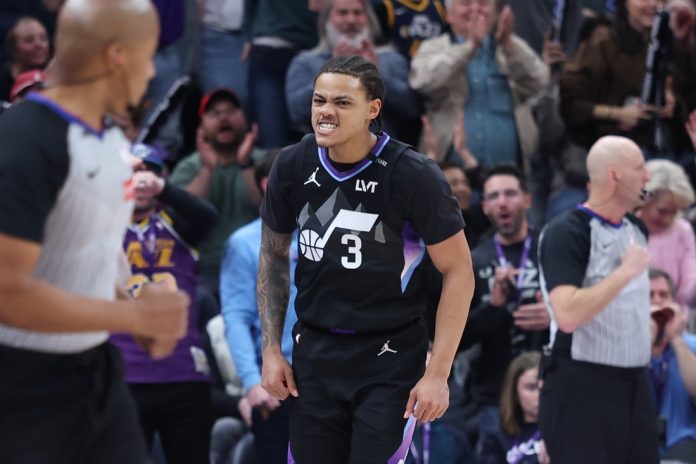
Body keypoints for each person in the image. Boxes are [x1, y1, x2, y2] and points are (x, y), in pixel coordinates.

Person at [258, 55, 474, 463]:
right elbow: (272, 254)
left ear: (372, 109)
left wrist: (438, 373)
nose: (326, 111)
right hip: (315, 353)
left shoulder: (413, 174)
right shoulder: (292, 163)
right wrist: (271, 350)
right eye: (320, 100)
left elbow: (459, 270)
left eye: (342, 102)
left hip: (390, 359)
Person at [0, 1, 189, 463]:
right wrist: (134, 318)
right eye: (148, 56)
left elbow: (94, 251)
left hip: (94, 375)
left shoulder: (113, 142)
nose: (151, 73)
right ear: (117, 56)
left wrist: (138, 306)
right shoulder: (24, 139)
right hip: (17, 388)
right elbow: (7, 292)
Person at [537, 135, 659, 463]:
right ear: (614, 175)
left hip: (635, 385)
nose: (647, 176)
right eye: (639, 168)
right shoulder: (567, 232)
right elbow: (567, 314)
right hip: (581, 387)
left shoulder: (637, 229)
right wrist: (624, 273)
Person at [110, 147, 218, 464]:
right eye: (133, 174)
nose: (141, 181)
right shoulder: (101, 227)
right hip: (124, 376)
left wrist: (163, 189)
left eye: (150, 173)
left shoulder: (178, 223)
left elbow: (208, 218)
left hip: (184, 374)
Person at [462, 165, 549, 454]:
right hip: (494, 397)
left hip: (549, 388)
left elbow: (585, 313)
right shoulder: (473, 260)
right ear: (484, 207)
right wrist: (493, 306)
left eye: (510, 194)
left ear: (527, 199)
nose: (502, 202)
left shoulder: (551, 250)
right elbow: (457, 339)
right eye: (493, 196)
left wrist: (554, 317)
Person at [221, 152, 299, 464]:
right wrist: (252, 381)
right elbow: (236, 318)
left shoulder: (326, 235)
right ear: (269, 184)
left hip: (326, 375)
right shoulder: (243, 243)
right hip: (275, 383)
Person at [409, 0, 548, 168]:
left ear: (495, 13)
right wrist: (469, 47)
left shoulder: (508, 47)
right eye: (465, 3)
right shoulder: (433, 47)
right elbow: (423, 82)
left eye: (483, 3)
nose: (475, 9)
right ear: (449, 15)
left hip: (509, 173)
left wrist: (509, 43)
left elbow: (540, 82)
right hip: (449, 172)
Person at [286, 0, 421, 145]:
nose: (351, 20)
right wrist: (333, 71)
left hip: (383, 152)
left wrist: (375, 74)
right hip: (323, 151)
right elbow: (297, 114)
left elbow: (411, 109)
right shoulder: (305, 62)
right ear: (326, 20)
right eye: (342, 13)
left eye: (358, 13)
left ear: (369, 19)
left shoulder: (392, 60)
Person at [170, 88, 262, 297]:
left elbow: (273, 212)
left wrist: (246, 165)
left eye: (231, 111)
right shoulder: (189, 167)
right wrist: (208, 170)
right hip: (205, 269)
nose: (223, 118)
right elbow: (180, 217)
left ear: (245, 119)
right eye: (214, 113)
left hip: (257, 266)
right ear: (201, 126)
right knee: (199, 296)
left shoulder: (263, 161)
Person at [647, 268, 696, 463]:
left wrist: (675, 338)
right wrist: (645, 340)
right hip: (636, 443)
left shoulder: (691, 345)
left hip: (683, 442)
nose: (657, 301)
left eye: (663, 295)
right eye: (649, 295)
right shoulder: (625, 349)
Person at [636, 159, 696, 308]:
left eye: (674, 213)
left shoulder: (682, 231)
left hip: (672, 317)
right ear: (644, 201)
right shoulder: (624, 227)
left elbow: (687, 292)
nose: (668, 219)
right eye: (662, 211)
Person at [479, 351, 550, 464]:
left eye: (545, 387)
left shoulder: (565, 432)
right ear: (514, 392)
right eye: (531, 387)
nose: (539, 394)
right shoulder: (496, 438)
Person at [0, 16, 49, 100]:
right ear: (13, 48)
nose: (39, 45)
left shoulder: (56, 79)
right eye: (29, 40)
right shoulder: (2, 84)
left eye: (43, 38)